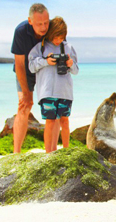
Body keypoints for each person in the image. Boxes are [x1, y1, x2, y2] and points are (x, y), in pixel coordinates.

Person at [28, 16, 79, 153]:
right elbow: (31, 67)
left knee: (65, 121)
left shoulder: (68, 48)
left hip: (65, 92)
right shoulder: (40, 48)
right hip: (47, 91)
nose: (58, 40)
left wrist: (70, 64)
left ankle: (67, 151)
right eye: (56, 37)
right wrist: (46, 61)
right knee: (50, 121)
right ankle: (49, 153)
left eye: (61, 37)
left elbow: (76, 71)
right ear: (51, 34)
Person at [11, 3, 50, 153]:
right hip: (25, 72)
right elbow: (19, 64)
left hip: (44, 70)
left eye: (46, 22)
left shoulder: (52, 28)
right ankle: (16, 153)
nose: (44, 27)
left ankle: (50, 149)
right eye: (39, 24)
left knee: (51, 106)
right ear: (30, 21)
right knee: (24, 105)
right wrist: (26, 93)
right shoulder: (20, 31)